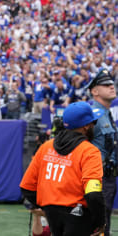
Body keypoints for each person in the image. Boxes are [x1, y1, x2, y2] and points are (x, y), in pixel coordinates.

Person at [20, 101, 106, 236]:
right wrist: (101, 222)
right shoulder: (90, 151)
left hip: (52, 216)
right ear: (86, 126)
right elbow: (93, 194)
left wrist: (47, 208)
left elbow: (27, 187)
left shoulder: (46, 147)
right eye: (93, 123)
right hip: (80, 217)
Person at [87, 69, 117, 236]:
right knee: (97, 224)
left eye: (112, 84)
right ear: (95, 91)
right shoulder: (92, 115)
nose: (111, 87)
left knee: (104, 223)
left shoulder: (106, 114)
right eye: (106, 85)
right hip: (97, 177)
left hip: (108, 177)